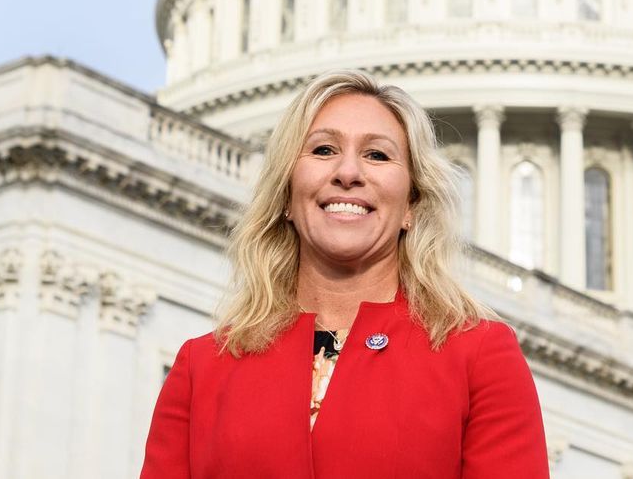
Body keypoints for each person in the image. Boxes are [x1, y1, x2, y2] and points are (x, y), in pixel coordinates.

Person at [140, 70, 550, 478]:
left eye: (377, 155)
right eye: (322, 150)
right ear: (286, 194)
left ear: (411, 204)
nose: (348, 172)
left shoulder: (479, 358)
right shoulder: (202, 369)